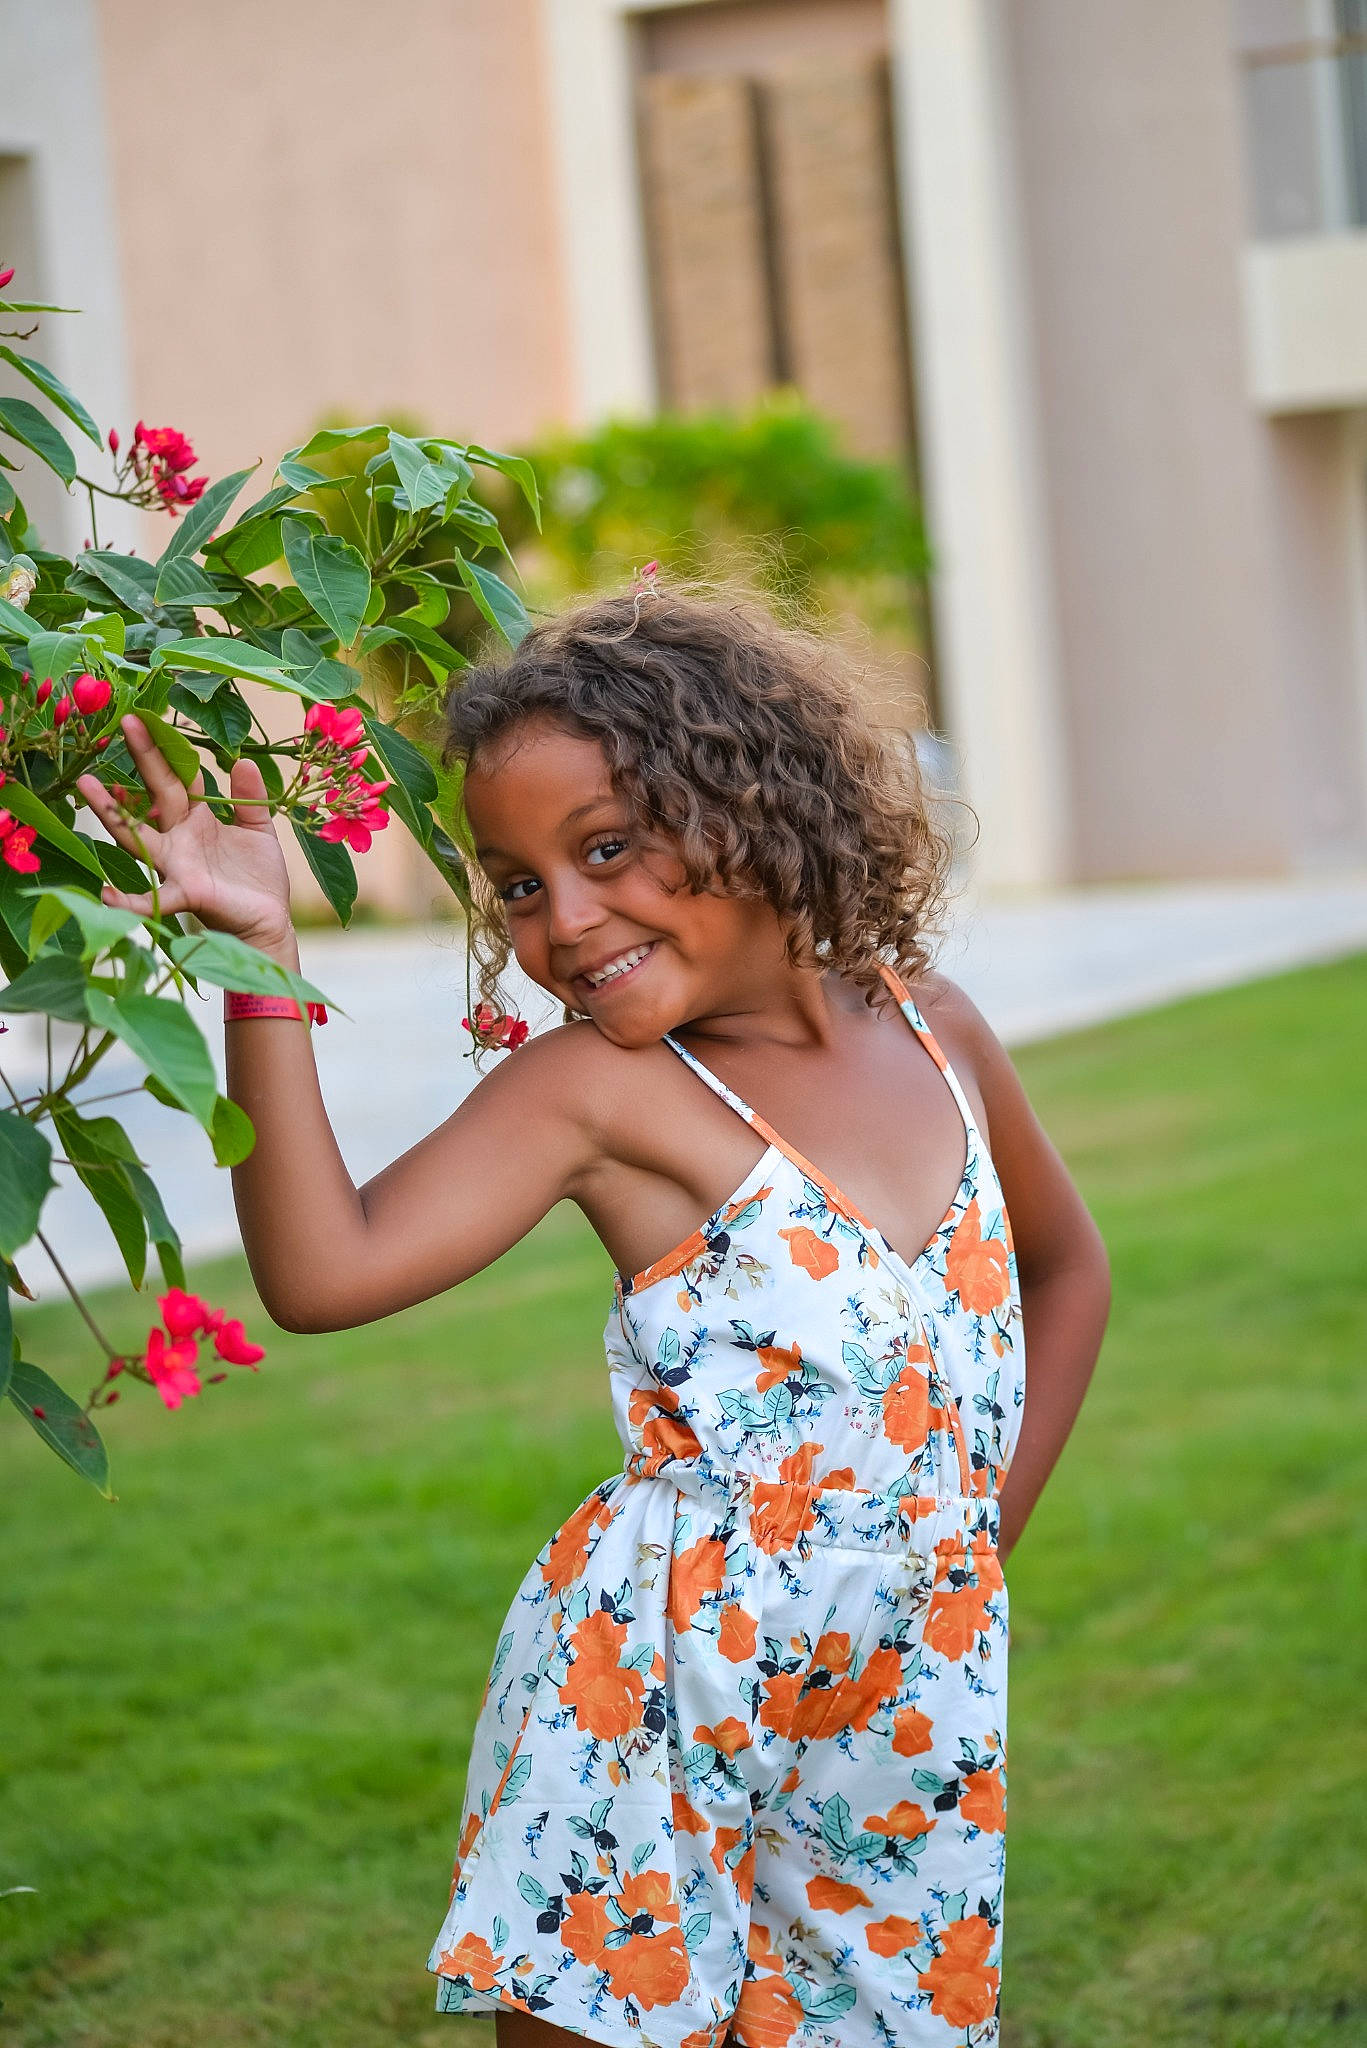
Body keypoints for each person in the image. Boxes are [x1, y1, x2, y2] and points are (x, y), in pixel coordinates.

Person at [78, 586, 1110, 2048]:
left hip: (907, 1699)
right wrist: (264, 963)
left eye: (607, 847)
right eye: (513, 884)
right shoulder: (599, 1092)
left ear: (754, 799)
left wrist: (976, 1534)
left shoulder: (929, 1025)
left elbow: (1069, 1273)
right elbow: (322, 1274)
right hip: (656, 1693)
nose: (562, 923)